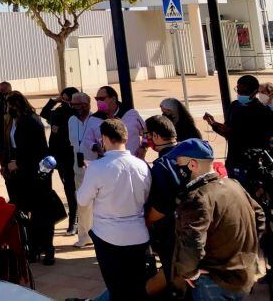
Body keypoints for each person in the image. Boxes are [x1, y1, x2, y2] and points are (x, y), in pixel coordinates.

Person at [171, 137, 266, 299]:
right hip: (242, 275)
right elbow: (259, 217)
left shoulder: (197, 198)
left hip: (213, 282)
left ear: (192, 165)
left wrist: (189, 273)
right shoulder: (234, 185)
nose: (176, 168)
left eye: (178, 164)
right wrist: (244, 252)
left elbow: (192, 241)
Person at [75, 118, 151, 301]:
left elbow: (82, 199)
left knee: (117, 289)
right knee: (139, 288)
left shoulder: (98, 167)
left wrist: (89, 175)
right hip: (139, 234)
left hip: (109, 236)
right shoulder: (142, 165)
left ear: (105, 139)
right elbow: (146, 197)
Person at [3, 91, 57, 265]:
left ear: (17, 105)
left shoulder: (31, 121)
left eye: (10, 105)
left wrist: (18, 163)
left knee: (43, 214)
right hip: (23, 175)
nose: (8, 108)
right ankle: (33, 248)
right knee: (27, 212)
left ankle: (48, 249)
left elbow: (36, 150)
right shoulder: (15, 121)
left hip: (37, 173)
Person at [204, 74, 273, 181]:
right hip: (233, 160)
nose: (240, 94)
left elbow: (261, 139)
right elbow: (228, 134)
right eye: (238, 91)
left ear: (255, 92)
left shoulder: (263, 112)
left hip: (253, 164)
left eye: (244, 92)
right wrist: (214, 125)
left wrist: (232, 131)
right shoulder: (234, 106)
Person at [143, 114, 182, 293]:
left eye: (147, 135)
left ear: (157, 136)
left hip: (172, 232)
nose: (146, 139)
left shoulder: (162, 165)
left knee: (172, 272)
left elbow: (162, 206)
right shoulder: (186, 154)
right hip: (193, 226)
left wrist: (146, 222)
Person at [41, 87, 78, 235]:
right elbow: (44, 113)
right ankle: (74, 219)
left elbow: (70, 130)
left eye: (67, 98)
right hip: (58, 157)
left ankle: (74, 221)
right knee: (68, 188)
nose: (64, 101)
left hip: (70, 156)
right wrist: (54, 101)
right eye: (63, 99)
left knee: (71, 190)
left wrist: (59, 129)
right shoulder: (59, 111)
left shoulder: (74, 113)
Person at [68, 91, 96, 248]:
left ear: (88, 105)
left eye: (81, 105)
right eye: (74, 105)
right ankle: (84, 236)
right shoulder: (71, 120)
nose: (77, 108)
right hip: (78, 167)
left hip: (95, 167)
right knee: (82, 202)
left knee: (98, 203)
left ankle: (98, 234)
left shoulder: (96, 120)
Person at [87, 85, 145, 157]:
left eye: (102, 99)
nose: (99, 102)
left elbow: (146, 132)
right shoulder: (94, 119)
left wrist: (143, 147)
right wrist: (96, 147)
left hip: (132, 160)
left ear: (113, 99)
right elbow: (88, 139)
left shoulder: (131, 114)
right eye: (97, 99)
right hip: (108, 163)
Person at [0, 81, 12, 167]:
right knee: (4, 169)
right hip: (0, 144)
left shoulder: (13, 104)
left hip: (11, 145)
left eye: (4, 90)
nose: (1, 92)